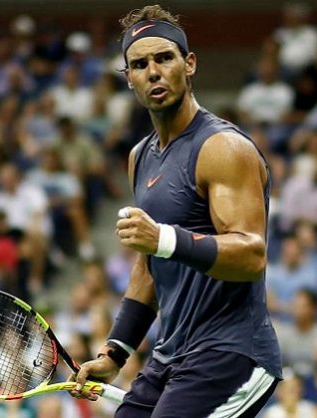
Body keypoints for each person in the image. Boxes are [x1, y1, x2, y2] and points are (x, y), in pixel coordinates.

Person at [70, 5, 281, 417]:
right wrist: (116, 352)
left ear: (189, 64)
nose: (153, 71)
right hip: (171, 356)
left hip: (231, 355)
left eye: (164, 58)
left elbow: (251, 255)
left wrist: (163, 239)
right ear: (128, 78)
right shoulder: (140, 156)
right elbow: (148, 268)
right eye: (139, 64)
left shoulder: (223, 148)